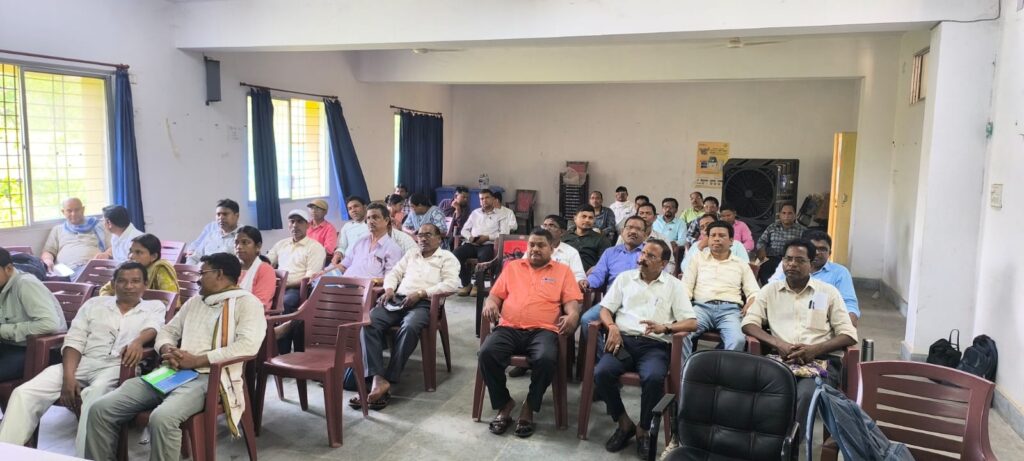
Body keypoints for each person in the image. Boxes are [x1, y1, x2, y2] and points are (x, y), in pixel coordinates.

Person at [84, 253, 267, 461]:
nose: (198, 279)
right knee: (100, 409)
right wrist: (168, 349)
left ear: (219, 274)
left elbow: (248, 346)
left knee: (162, 418)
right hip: (173, 370)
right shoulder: (195, 301)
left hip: (211, 377)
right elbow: (168, 331)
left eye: (203, 273)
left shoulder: (247, 303)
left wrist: (196, 360)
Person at [0, 262, 164, 456]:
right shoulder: (94, 304)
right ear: (113, 284)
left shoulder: (154, 306)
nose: (129, 286)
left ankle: (83, 457)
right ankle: (6, 453)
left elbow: (153, 327)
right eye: (122, 281)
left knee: (93, 397)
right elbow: (74, 340)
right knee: (24, 393)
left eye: (135, 281)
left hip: (118, 366)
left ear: (145, 284)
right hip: (83, 361)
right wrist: (68, 377)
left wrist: (138, 342)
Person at [595, 239, 696, 456]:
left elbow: (691, 322)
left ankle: (643, 429)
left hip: (654, 345)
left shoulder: (674, 286)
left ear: (664, 264)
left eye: (651, 256)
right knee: (602, 373)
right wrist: (611, 326)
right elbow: (605, 309)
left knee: (653, 377)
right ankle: (624, 423)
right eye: (643, 254)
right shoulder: (625, 278)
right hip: (623, 341)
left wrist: (666, 327)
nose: (643, 259)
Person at [742, 239, 857, 428]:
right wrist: (779, 344)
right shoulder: (770, 291)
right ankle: (768, 438)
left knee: (806, 394)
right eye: (788, 259)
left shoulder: (828, 292)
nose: (792, 264)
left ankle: (791, 443)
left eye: (800, 260)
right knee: (768, 391)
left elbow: (848, 334)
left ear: (811, 264)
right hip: (781, 358)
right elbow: (749, 323)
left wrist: (814, 349)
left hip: (820, 362)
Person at [478, 228, 581, 438]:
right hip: (509, 327)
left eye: (541, 245)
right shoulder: (513, 267)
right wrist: (490, 304)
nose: (535, 249)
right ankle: (504, 403)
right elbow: (495, 295)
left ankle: (530, 405)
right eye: (532, 244)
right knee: (486, 354)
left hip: (543, 331)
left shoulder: (563, 271)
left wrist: (573, 315)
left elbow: (572, 303)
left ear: (552, 248)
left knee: (546, 359)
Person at [355, 223, 460, 410]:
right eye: (420, 235)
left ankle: (388, 378)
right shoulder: (412, 254)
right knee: (369, 321)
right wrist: (389, 289)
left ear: (439, 239)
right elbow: (394, 273)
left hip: (425, 303)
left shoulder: (447, 258)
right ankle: (377, 378)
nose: (423, 238)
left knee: (410, 326)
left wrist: (421, 293)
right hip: (398, 299)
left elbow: (452, 284)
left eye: (428, 234)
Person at [507, 215, 585, 378]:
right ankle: (525, 361)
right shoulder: (533, 250)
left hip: (560, 298)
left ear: (562, 232)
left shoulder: (571, 252)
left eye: (552, 225)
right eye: (545, 224)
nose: (546, 227)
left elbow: (579, 277)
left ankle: (549, 361)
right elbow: (522, 271)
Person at [680, 221, 760, 358]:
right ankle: (687, 370)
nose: (716, 239)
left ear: (731, 241)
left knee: (737, 340)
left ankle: (720, 369)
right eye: (713, 235)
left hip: (730, 311)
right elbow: (685, 287)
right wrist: (683, 310)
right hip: (701, 308)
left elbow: (754, 291)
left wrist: (751, 301)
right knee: (682, 334)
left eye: (722, 235)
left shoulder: (740, 264)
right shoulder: (697, 259)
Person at [578, 216, 648, 360]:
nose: (633, 231)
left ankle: (628, 360)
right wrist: (588, 282)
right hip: (611, 302)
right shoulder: (610, 252)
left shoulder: (649, 254)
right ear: (622, 231)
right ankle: (603, 360)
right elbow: (598, 274)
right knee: (587, 320)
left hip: (639, 303)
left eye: (638, 229)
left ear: (645, 234)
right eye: (629, 227)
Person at [768, 230, 860, 326]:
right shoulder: (791, 267)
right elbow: (773, 290)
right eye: (813, 248)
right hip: (787, 318)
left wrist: (848, 324)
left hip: (822, 323)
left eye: (822, 249)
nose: (817, 253)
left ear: (830, 253)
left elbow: (849, 303)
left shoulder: (840, 272)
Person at [0, 248, 66, 382]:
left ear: (9, 269)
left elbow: (49, 324)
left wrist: (3, 330)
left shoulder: (25, 284)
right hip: (10, 346)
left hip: (37, 349)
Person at [454, 188, 517, 296]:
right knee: (455, 254)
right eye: (481, 198)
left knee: (484, 257)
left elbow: (504, 233)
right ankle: (466, 284)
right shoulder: (475, 213)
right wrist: (470, 237)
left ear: (493, 199)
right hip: (472, 243)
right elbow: (464, 230)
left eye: (487, 198)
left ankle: (477, 284)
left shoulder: (501, 214)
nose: (484, 200)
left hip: (488, 245)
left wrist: (487, 237)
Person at [320, 202, 404, 281]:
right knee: (318, 281)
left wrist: (369, 282)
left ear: (386, 220)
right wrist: (324, 273)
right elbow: (343, 266)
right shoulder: (360, 242)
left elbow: (390, 279)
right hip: (344, 283)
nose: (371, 221)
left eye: (375, 217)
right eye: (368, 218)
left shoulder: (392, 248)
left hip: (366, 288)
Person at [267, 209, 327, 313]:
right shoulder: (281, 244)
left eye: (299, 221)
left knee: (285, 303)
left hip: (297, 289)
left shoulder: (315, 247)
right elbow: (266, 263)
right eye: (292, 221)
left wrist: (285, 284)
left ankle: (284, 324)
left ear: (308, 225)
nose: (295, 225)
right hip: (276, 286)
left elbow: (310, 278)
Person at [41, 197, 108, 276]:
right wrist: (48, 260)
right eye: (69, 211)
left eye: (77, 210)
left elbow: (114, 247)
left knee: (94, 274)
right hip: (65, 270)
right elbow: (48, 251)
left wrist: (106, 254)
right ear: (63, 212)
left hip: (92, 267)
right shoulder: (57, 229)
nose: (73, 214)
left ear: (83, 209)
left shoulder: (99, 226)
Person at [98, 234, 179, 298]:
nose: (131, 256)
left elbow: (170, 300)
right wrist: (111, 302)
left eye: (138, 252)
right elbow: (105, 290)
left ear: (154, 256)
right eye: (130, 251)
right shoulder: (128, 270)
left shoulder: (160, 269)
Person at [618, 203, 677, 274]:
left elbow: (670, 263)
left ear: (655, 217)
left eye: (648, 213)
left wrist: (659, 276)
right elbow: (616, 257)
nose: (644, 216)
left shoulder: (662, 238)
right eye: (641, 213)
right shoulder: (624, 237)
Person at [678, 214, 749, 272]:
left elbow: (745, 268)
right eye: (702, 227)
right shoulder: (696, 245)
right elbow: (685, 269)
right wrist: (700, 248)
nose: (705, 229)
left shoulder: (736, 245)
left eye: (708, 224)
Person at [756, 204, 806, 284]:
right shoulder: (772, 227)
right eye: (784, 213)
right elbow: (761, 241)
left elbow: (806, 246)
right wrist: (762, 250)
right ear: (780, 215)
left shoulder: (801, 230)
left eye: (790, 213)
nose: (786, 216)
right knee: (764, 269)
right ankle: (769, 289)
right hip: (772, 258)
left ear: (795, 215)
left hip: (791, 259)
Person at [186, 199, 241, 265]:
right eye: (218, 214)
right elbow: (194, 258)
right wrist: (188, 270)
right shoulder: (211, 235)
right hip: (201, 270)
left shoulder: (243, 236)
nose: (221, 217)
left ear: (237, 216)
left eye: (225, 214)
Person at [235, 226, 277, 311]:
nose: (239, 246)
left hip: (254, 315)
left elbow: (260, 303)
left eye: (245, 242)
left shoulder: (265, 270)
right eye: (236, 242)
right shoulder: (231, 267)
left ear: (258, 246)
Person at [561, 205, 612, 272]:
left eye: (590, 218)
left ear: (594, 220)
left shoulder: (601, 240)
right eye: (584, 217)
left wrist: (595, 269)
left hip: (590, 275)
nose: (587, 220)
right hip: (565, 273)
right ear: (575, 218)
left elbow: (606, 262)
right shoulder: (565, 237)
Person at [653, 198, 686, 262]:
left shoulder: (681, 223)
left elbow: (683, 240)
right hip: (652, 247)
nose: (668, 209)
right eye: (665, 207)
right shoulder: (655, 219)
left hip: (669, 250)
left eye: (671, 207)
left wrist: (674, 243)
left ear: (676, 210)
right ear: (662, 208)